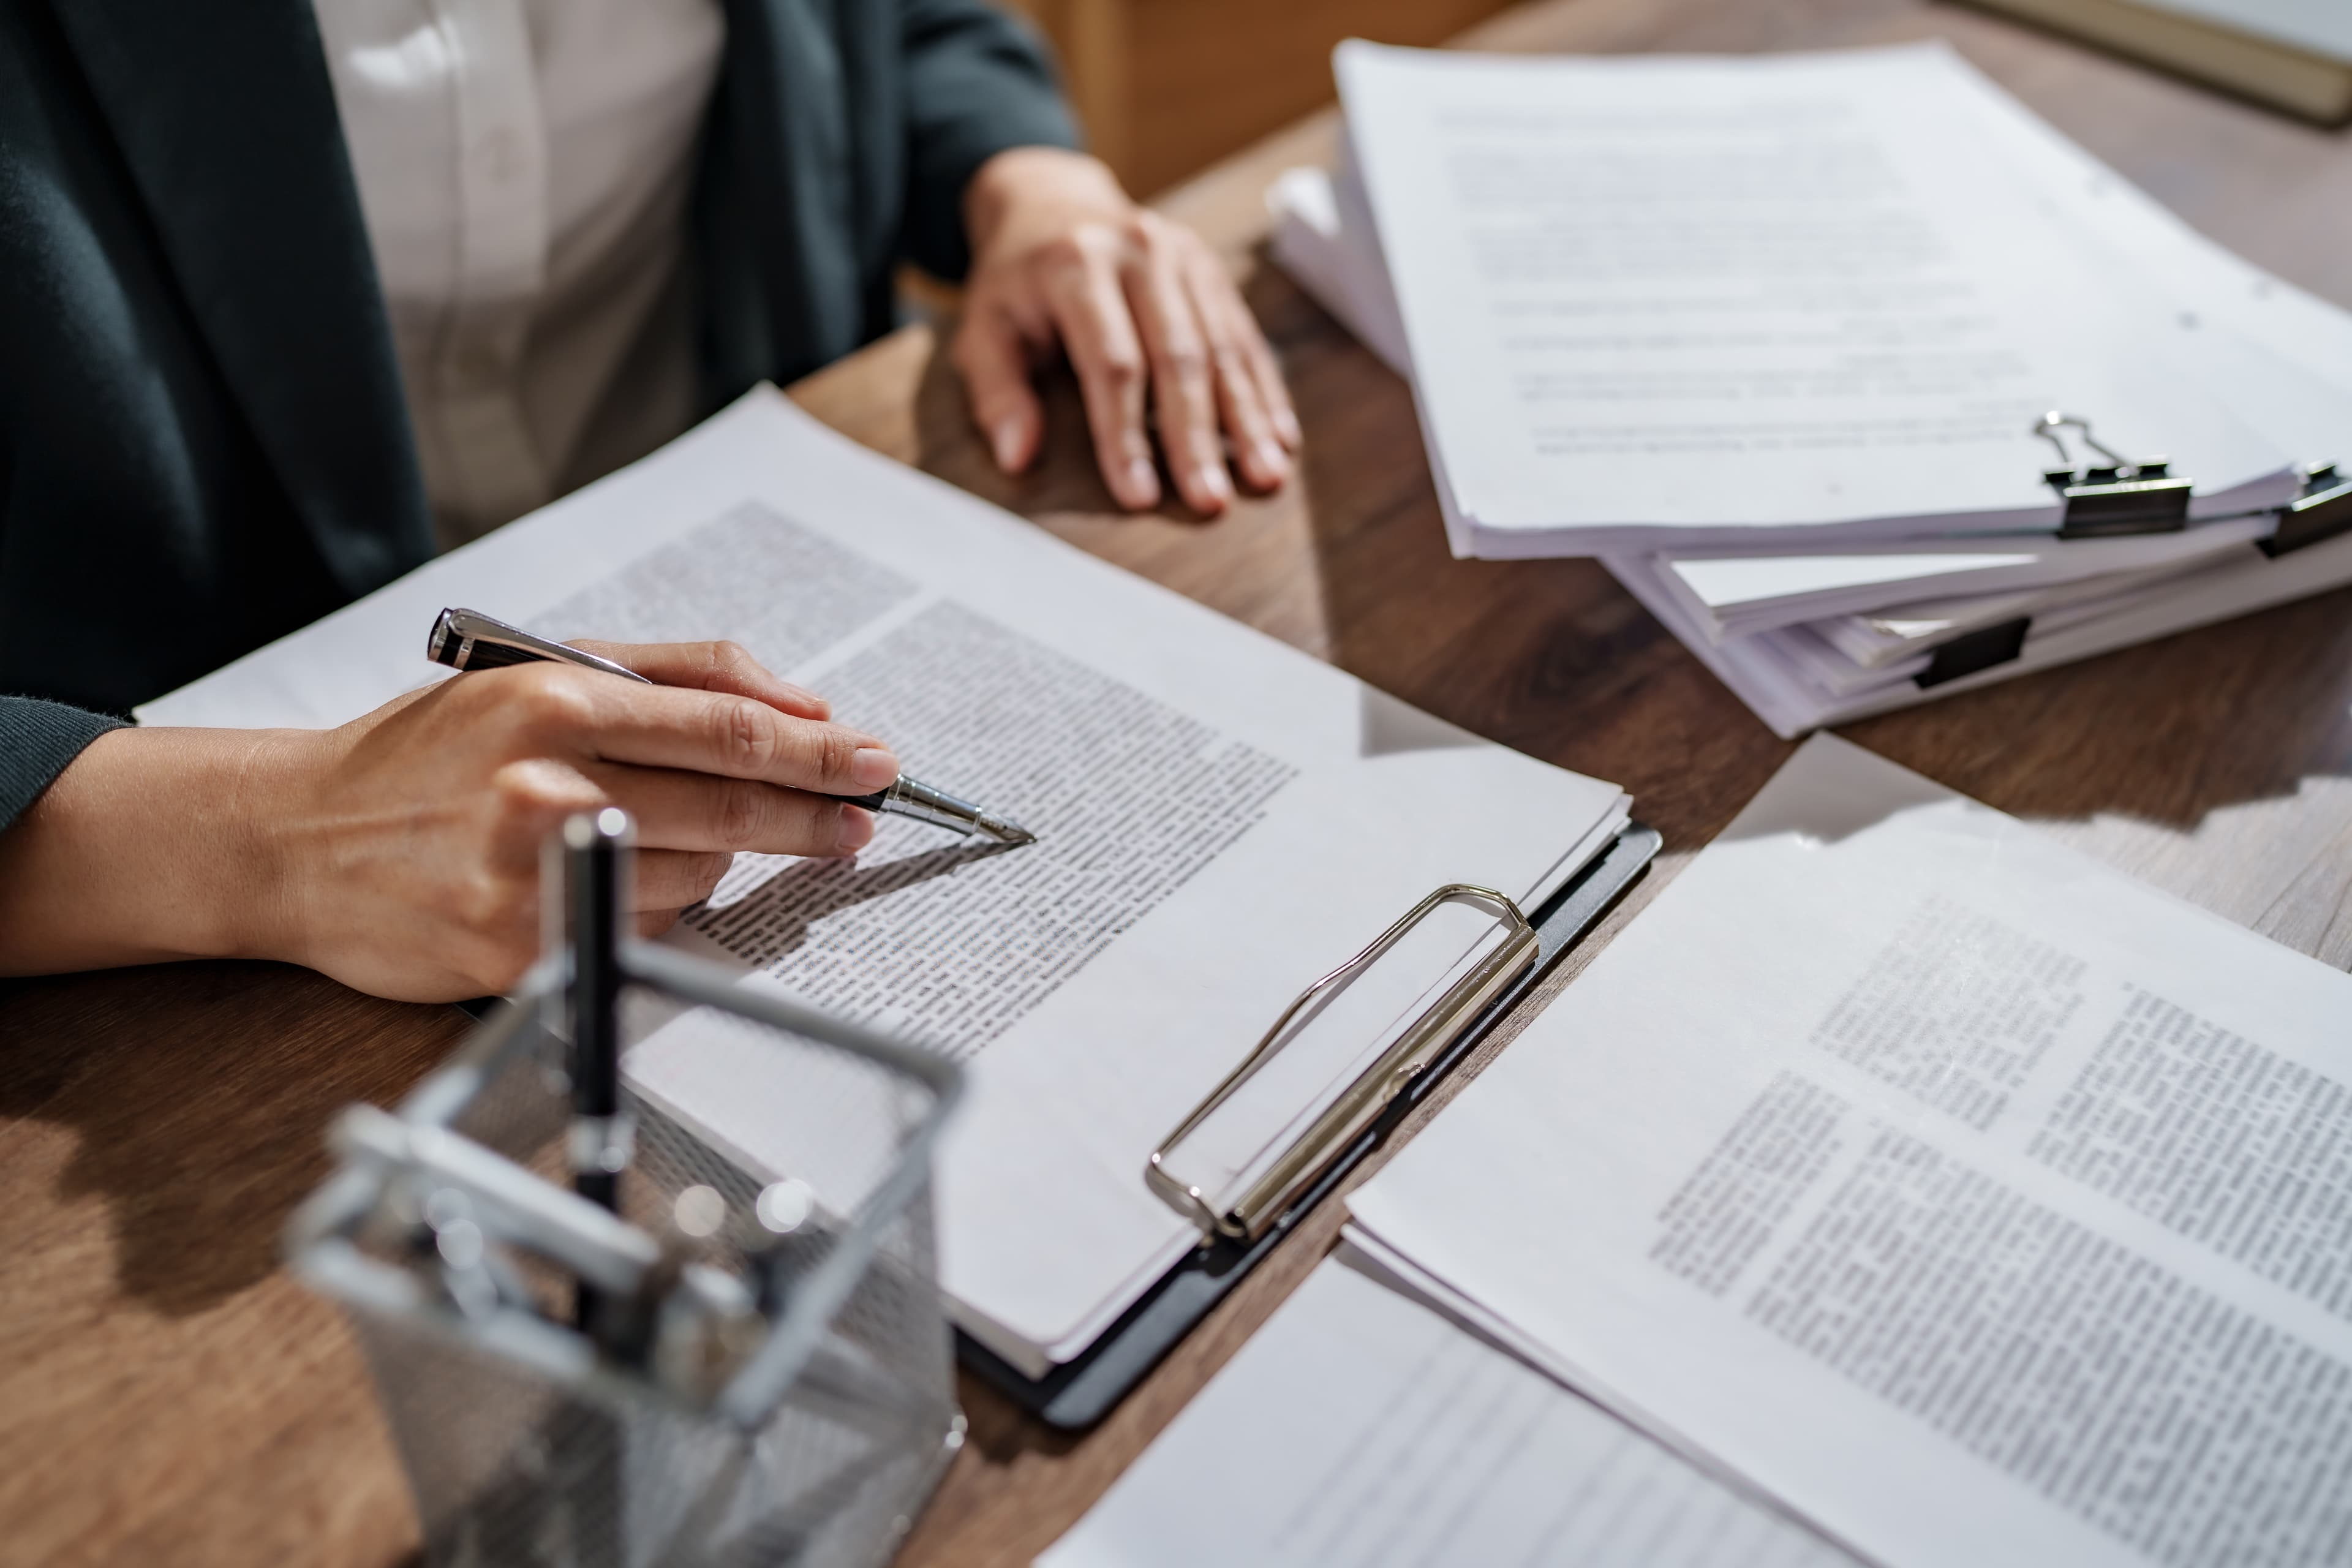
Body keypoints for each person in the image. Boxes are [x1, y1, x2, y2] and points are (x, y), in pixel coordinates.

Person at [0, 0, 1298, 1001]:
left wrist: (1024, 175)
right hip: (181, 855)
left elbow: (894, 26)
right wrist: (268, 838)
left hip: (785, 512)